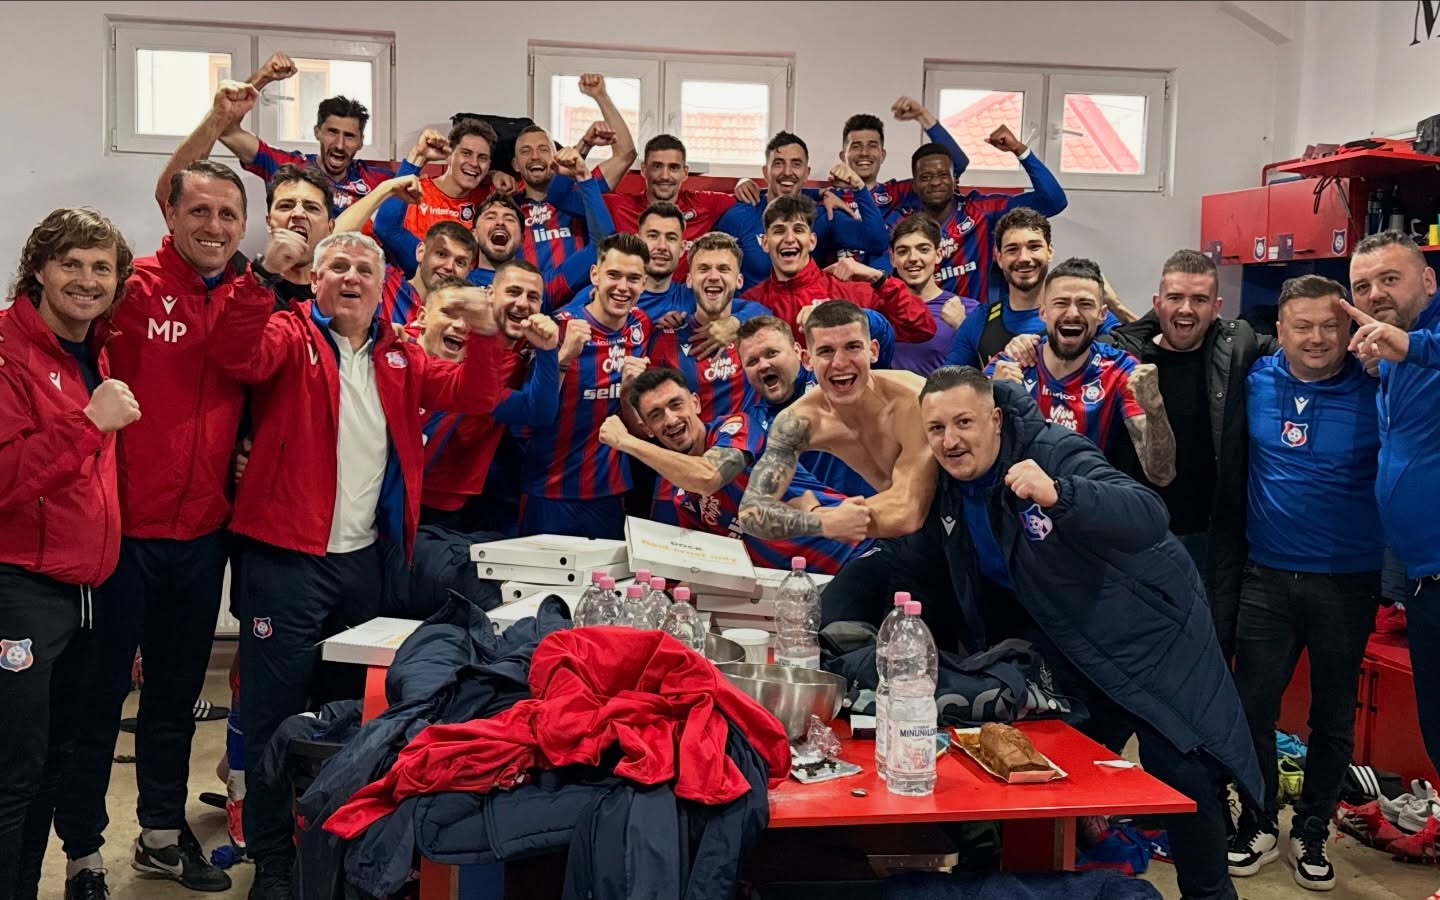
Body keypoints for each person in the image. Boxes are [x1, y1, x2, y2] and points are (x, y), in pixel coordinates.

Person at [206, 231, 503, 898]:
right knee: (273, 713)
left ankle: (337, 849)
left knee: (347, 714)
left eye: (364, 269)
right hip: (284, 560)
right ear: (315, 281)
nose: (351, 277)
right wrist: (260, 277)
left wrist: (486, 336)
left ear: (381, 288)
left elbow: (476, 396)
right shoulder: (289, 335)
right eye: (337, 266)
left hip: (362, 562)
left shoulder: (400, 354)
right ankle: (273, 864)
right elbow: (236, 352)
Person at [917, 367, 1261, 900]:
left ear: (995, 418)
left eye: (964, 422)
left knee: (1182, 772)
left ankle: (1209, 895)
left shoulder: (1051, 449)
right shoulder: (944, 483)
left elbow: (1148, 513)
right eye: (936, 429)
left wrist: (1061, 494)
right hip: (1071, 642)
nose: (950, 440)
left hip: (1148, 634)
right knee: (1039, 768)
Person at [48, 162, 297, 897]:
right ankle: (83, 853)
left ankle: (159, 833)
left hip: (202, 535)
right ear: (172, 214)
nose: (214, 227)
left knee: (175, 698)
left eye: (228, 214)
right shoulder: (130, 288)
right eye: (200, 212)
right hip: (121, 535)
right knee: (98, 703)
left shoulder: (255, 295)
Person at [1225, 275, 1382, 890]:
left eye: (1329, 325)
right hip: (1265, 575)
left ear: (1349, 329)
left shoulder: (1377, 385)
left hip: (1347, 580)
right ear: (1280, 331)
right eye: (1302, 326)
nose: (1316, 338)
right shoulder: (1255, 378)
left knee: (1333, 717)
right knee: (1252, 708)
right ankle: (1258, 821)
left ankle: (1313, 829)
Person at [0, 209, 138, 900]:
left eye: (101, 267)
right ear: (39, 270)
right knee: (10, 772)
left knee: (53, 764)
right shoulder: (7, 350)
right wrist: (88, 425)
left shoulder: (93, 349)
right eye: (71, 264)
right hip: (18, 587)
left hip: (84, 589)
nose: (87, 280)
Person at [1105, 249, 1266, 660]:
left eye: (1199, 299)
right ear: (1157, 303)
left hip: (1205, 542)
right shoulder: (1122, 357)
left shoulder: (1238, 351)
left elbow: (1302, 349)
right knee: (1130, 658)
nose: (1186, 309)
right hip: (1131, 539)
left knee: (1201, 659)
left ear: (1217, 307)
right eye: (1175, 297)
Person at [599, 368, 867, 572]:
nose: (670, 420)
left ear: (695, 403)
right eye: (656, 415)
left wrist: (626, 442)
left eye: (676, 404)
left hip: (855, 550)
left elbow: (708, 476)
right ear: (647, 428)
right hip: (800, 583)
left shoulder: (737, 427)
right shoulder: (683, 498)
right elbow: (708, 564)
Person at [1344, 230, 1440, 786]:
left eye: (1389, 279)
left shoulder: (1421, 343)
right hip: (1422, 581)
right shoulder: (1393, 353)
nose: (1375, 293)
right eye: (1363, 285)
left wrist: (1414, 349)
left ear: (1428, 280)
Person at [739, 301, 936, 540]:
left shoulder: (914, 399)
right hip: (902, 539)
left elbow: (908, 511)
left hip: (959, 510)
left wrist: (821, 514)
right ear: (808, 360)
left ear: (873, 351)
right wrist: (819, 522)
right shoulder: (798, 422)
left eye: (852, 347)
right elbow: (751, 512)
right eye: (826, 351)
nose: (840, 363)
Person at [984, 258, 1175, 485]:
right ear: (1043, 312)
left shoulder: (1121, 369)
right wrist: (993, 395)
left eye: (1085, 304)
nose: (1073, 313)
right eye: (1061, 303)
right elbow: (970, 450)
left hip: (1086, 500)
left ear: (1102, 314)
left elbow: (1161, 474)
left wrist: (1155, 409)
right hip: (1014, 500)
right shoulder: (1009, 364)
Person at [520, 233, 656, 539]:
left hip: (609, 491)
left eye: (633, 278)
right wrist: (564, 357)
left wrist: (629, 393)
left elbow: (635, 423)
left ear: (644, 283)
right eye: (614, 275)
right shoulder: (557, 327)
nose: (623, 287)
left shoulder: (641, 325)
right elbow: (529, 414)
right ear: (595, 274)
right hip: (549, 489)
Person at [416, 268, 560, 527]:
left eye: (469, 320)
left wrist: (549, 351)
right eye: (449, 313)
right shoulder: (390, 353)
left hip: (439, 508)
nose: (461, 325)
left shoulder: (480, 378)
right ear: (422, 317)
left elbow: (537, 411)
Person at [159, 63, 394, 217]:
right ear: (317, 132)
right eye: (332, 132)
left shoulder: (377, 179)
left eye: (349, 136)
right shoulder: (288, 166)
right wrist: (262, 77)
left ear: (360, 142)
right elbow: (226, 127)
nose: (340, 145)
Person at [898, 126, 1067, 302]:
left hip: (972, 316)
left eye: (943, 175)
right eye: (925, 177)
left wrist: (1019, 149)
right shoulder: (901, 222)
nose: (935, 182)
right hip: (916, 316)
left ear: (955, 180)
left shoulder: (980, 211)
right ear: (914, 185)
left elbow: (1054, 201)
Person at [741, 195, 935, 344]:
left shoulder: (851, 291)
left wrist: (878, 278)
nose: (789, 239)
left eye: (799, 230)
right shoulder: (751, 303)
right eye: (779, 230)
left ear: (812, 241)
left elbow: (921, 328)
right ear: (764, 243)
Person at [735, 314, 890, 499]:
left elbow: (883, 333)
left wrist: (832, 315)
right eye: (752, 362)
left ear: (798, 352)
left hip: (887, 504)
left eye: (772, 353)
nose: (763, 365)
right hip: (825, 514)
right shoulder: (752, 426)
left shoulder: (837, 377)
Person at [548, 134, 737, 282]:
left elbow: (749, 203)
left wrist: (744, 183)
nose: (665, 176)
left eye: (673, 168)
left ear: (685, 172)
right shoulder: (617, 206)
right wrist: (581, 150)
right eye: (657, 167)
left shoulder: (706, 204)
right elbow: (558, 196)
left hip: (683, 305)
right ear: (644, 170)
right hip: (629, 302)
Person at [718, 131, 889, 288]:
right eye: (778, 163)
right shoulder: (739, 216)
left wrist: (859, 188)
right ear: (765, 172)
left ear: (807, 173)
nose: (787, 172)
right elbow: (716, 270)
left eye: (796, 164)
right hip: (752, 309)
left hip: (807, 309)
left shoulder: (823, 216)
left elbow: (877, 242)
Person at [513, 73, 636, 270]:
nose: (535, 156)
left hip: (580, 289)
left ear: (556, 155)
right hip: (525, 289)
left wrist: (601, 96)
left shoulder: (583, 191)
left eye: (544, 149)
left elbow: (625, 154)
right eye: (525, 151)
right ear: (515, 164)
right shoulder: (508, 206)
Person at [649, 232, 770, 421]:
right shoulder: (665, 339)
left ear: (739, 280)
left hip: (752, 438)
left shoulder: (759, 332)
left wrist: (736, 322)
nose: (713, 276)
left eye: (723, 269)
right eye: (704, 269)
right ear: (689, 280)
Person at [374, 120, 500, 275]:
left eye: (482, 158)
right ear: (449, 155)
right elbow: (385, 229)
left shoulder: (488, 203)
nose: (474, 163)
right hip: (412, 285)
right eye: (466, 153)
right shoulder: (414, 190)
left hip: (461, 287)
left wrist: (496, 175)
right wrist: (418, 156)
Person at [831, 98, 971, 231]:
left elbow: (957, 164)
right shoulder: (829, 197)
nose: (864, 153)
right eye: (856, 146)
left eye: (872, 145)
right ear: (843, 156)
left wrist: (922, 115)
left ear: (882, 155)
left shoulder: (899, 193)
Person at [887, 215, 973, 375]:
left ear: (938, 254)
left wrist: (962, 326)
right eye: (903, 251)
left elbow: (987, 367)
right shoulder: (881, 309)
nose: (913, 258)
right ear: (893, 258)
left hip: (946, 392)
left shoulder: (968, 309)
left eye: (923, 249)